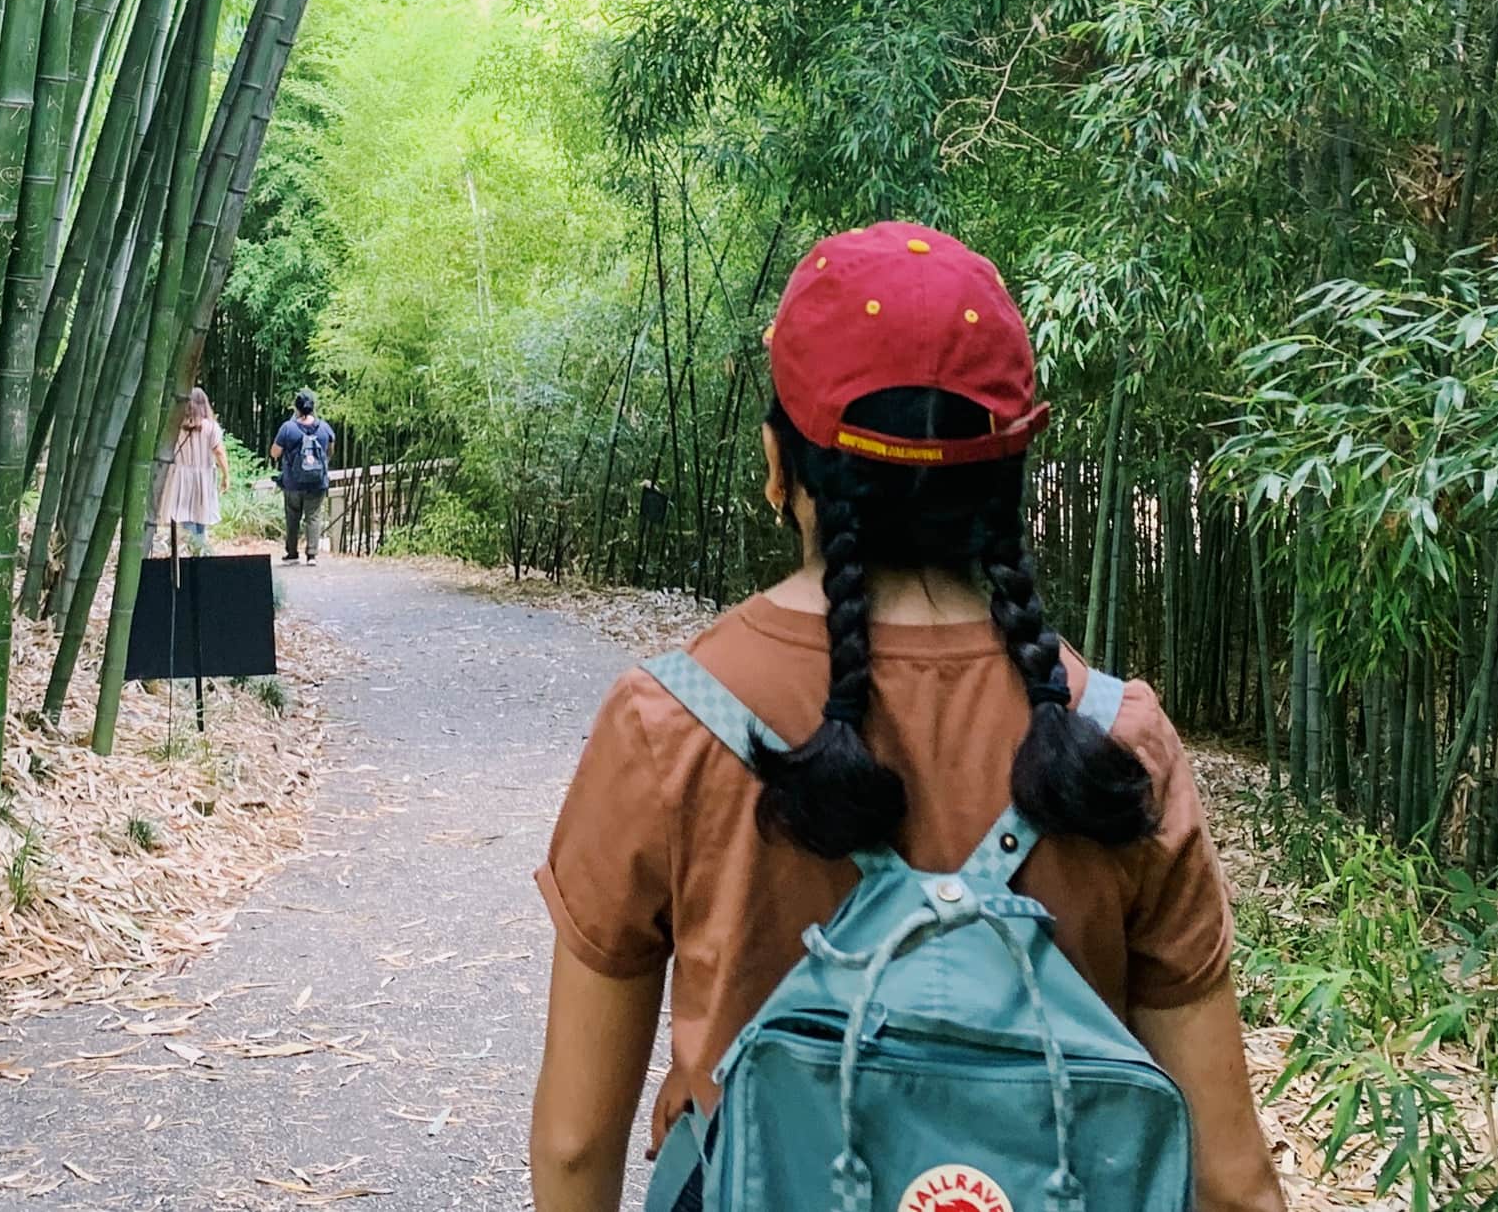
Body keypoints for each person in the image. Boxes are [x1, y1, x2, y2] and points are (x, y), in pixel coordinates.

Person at [528, 222, 1287, 1212]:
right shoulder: (1116, 738)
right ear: (1006, 482)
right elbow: (1231, 1183)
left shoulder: (670, 724)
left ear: (777, 465)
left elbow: (580, 1145)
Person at [154, 387, 228, 560]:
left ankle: (194, 551)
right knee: (202, 514)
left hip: (180, 476)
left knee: (185, 513)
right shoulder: (211, 428)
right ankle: (201, 551)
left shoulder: (175, 427)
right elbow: (219, 452)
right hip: (204, 476)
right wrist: (226, 475)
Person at [272, 389, 335, 564]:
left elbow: (274, 452)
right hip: (317, 482)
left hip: (293, 482)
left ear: (296, 408)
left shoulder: (288, 428)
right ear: (313, 407)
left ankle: (292, 553)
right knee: (313, 516)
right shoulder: (324, 427)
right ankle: (312, 555)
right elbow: (330, 450)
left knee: (292, 516)